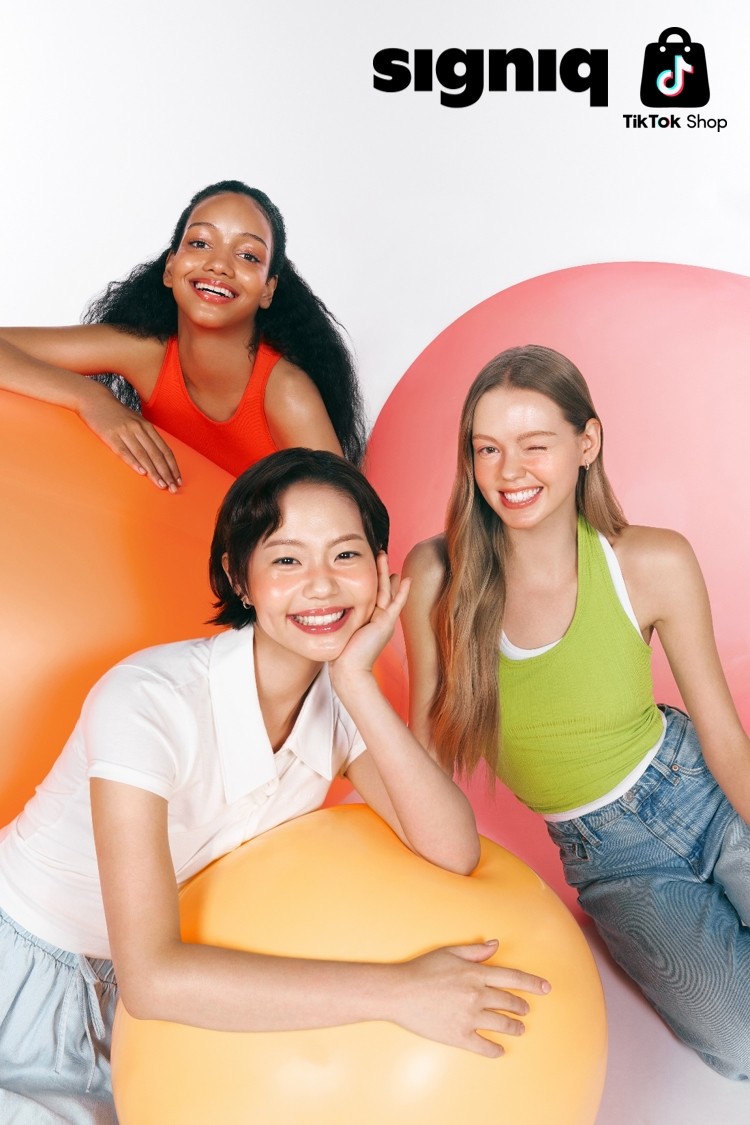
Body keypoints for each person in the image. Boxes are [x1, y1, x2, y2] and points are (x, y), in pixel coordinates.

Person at [0, 448, 549, 1123]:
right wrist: (400, 992)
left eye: (346, 555)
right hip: (22, 973)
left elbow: (451, 848)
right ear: (241, 578)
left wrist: (357, 683)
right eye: (287, 560)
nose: (321, 585)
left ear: (381, 572)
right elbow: (153, 977)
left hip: (147, 1014)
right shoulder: (147, 698)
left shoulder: (341, 702)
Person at [402, 344, 750, 1081]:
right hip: (613, 859)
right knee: (743, 1042)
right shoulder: (436, 575)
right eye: (488, 449)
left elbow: (724, 736)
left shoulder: (651, 560)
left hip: (701, 791)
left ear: (586, 443)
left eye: (536, 444)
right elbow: (424, 756)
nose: (510, 471)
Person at [0, 181, 367, 485]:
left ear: (268, 290)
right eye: (200, 243)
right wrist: (91, 397)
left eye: (248, 255)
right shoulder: (147, 354)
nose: (219, 265)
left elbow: (347, 516)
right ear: (170, 268)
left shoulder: (287, 392)